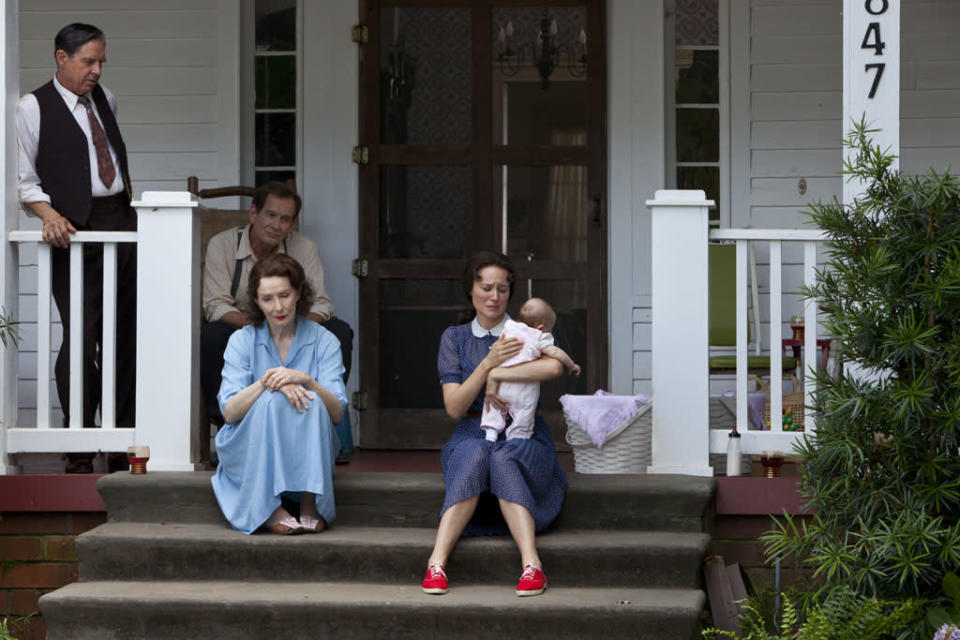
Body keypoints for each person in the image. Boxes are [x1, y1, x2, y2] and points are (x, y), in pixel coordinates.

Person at [17, 23, 137, 473]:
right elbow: (24, 181)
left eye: (101, 61)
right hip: (71, 230)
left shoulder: (107, 99)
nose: (97, 70)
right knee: (81, 334)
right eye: (89, 61)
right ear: (61, 58)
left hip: (120, 222)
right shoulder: (32, 108)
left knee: (127, 335)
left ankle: (124, 439)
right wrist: (49, 216)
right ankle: (80, 440)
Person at [421, 251, 568, 597]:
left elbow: (553, 368)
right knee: (475, 454)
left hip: (523, 432)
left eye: (502, 289)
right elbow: (454, 407)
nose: (494, 296)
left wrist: (501, 372)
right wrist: (488, 363)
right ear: (470, 290)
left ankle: (532, 566)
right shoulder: (455, 338)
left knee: (502, 457)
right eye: (486, 287)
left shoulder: (524, 330)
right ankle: (436, 563)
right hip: (472, 430)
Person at [200, 181, 354, 460]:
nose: (277, 225)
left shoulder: (303, 248)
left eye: (285, 219)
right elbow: (215, 304)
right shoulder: (222, 245)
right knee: (211, 336)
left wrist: (292, 325)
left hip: (297, 328)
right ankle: (228, 426)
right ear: (253, 214)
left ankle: (325, 428)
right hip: (245, 329)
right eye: (270, 215)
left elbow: (321, 302)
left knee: (339, 331)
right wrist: (260, 324)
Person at [211, 254, 346, 535]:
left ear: (298, 292)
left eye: (284, 295)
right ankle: (269, 508)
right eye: (267, 299)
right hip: (247, 444)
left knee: (315, 401)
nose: (278, 307)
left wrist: (308, 381)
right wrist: (268, 381)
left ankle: (310, 503)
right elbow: (230, 412)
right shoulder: (242, 340)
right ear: (257, 302)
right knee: (271, 399)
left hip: (309, 439)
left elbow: (337, 413)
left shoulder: (325, 340)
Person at [481, 297, 580, 442]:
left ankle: (491, 433)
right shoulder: (539, 336)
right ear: (540, 328)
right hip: (523, 385)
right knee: (524, 413)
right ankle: (517, 437)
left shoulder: (509, 328)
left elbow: (497, 348)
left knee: (493, 406)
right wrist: (571, 364)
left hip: (501, 385)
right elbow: (555, 352)